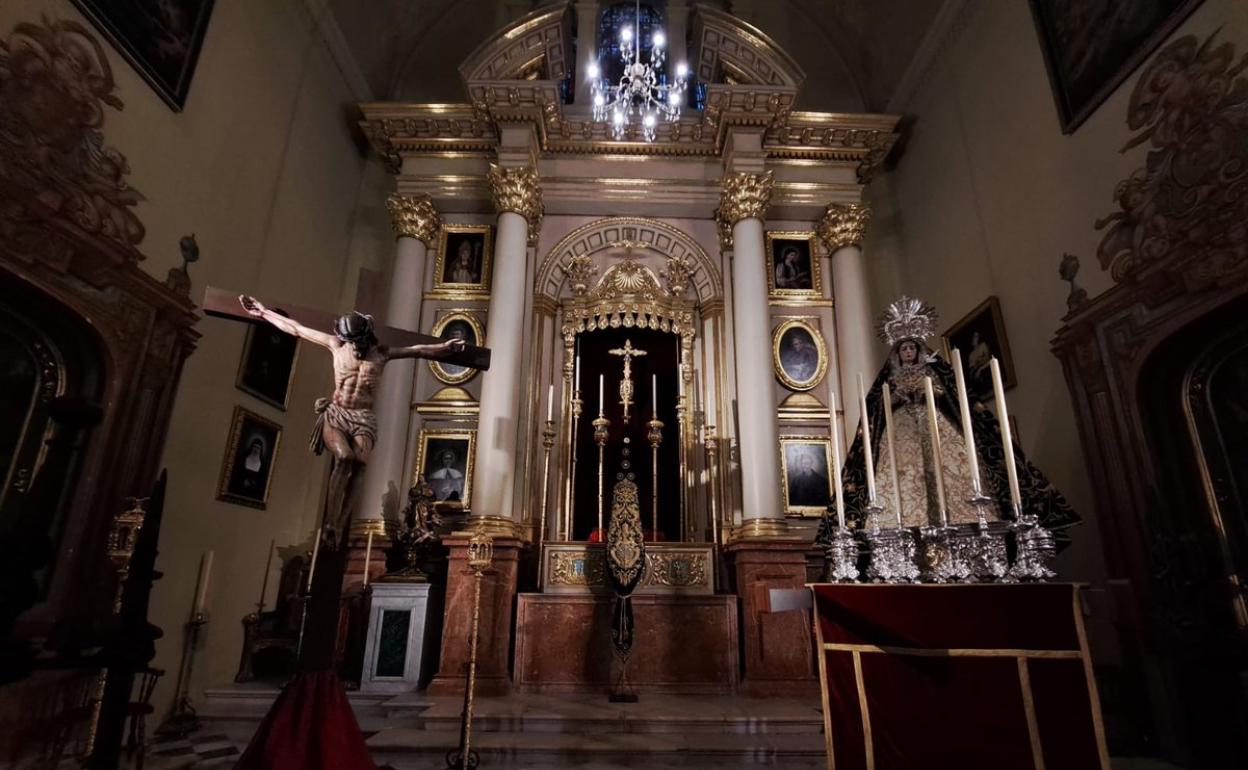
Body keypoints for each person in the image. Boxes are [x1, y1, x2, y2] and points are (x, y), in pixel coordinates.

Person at [817, 296, 1080, 543]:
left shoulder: (935, 372)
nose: (908, 352)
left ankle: (973, 524)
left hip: (935, 424)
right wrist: (897, 396)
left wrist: (930, 391)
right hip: (901, 430)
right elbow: (876, 411)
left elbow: (951, 396)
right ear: (897, 353)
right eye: (904, 349)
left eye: (911, 347)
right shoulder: (889, 379)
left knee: (950, 467)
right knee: (899, 473)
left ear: (918, 349)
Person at [239, 295, 465, 543]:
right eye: (351, 341)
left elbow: (417, 350)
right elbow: (296, 329)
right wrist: (263, 313)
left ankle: (339, 524)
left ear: (367, 335)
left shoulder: (381, 354)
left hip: (363, 417)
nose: (355, 346)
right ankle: (330, 521)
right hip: (337, 413)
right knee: (345, 458)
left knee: (360, 465)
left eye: (358, 340)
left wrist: (445, 347)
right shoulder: (336, 345)